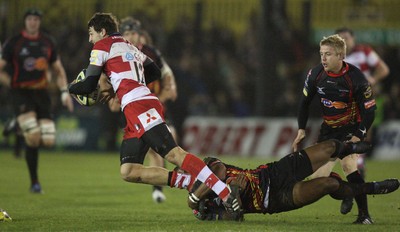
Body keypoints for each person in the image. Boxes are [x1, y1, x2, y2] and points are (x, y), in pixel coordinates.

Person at [67, 12, 240, 216]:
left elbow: (88, 84)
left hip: (138, 106)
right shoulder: (129, 46)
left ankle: (225, 192)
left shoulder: (101, 46)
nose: (90, 39)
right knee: (129, 171)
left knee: (174, 154)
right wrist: (125, 83)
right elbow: (155, 72)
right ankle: (191, 182)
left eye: (91, 33)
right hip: (137, 106)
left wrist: (68, 88)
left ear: (102, 31)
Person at [185, 140, 399, 222]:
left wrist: (231, 192)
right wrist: (233, 198)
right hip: (275, 201)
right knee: (329, 185)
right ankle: (372, 188)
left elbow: (220, 170)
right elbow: (234, 216)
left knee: (330, 147)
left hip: (273, 173)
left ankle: (351, 148)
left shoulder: (208, 166)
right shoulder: (202, 207)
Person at [291, 34, 377, 224]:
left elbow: (370, 111)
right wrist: (301, 130)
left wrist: (358, 135)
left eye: (328, 54)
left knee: (348, 165)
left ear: (340, 56)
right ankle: (346, 191)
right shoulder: (315, 74)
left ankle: (364, 216)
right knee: (319, 178)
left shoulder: (356, 78)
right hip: (328, 130)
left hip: (350, 128)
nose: (323, 58)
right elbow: (304, 103)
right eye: (321, 54)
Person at [0, 8, 74, 193]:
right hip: (21, 93)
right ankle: (35, 183)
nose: (33, 22)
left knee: (48, 141)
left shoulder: (47, 42)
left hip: (41, 94)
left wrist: (65, 92)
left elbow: (58, 70)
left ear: (39, 22)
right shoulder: (15, 43)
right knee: (33, 136)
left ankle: (16, 125)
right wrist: (11, 83)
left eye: (36, 19)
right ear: (25, 21)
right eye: (30, 19)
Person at [116, 16, 178, 203]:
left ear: (140, 35)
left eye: (133, 33)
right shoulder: (117, 54)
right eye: (126, 33)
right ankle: (165, 186)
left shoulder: (151, 53)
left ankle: (181, 181)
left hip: (155, 110)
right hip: (135, 111)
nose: (130, 36)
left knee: (166, 150)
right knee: (156, 150)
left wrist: (166, 92)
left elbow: (168, 77)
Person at [335, 27, 390, 215]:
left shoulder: (364, 52)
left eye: (346, 37)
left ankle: (351, 191)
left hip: (363, 106)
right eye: (340, 38)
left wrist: (373, 79)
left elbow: (383, 69)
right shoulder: (335, 58)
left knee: (357, 146)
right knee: (348, 150)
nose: (344, 41)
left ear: (353, 38)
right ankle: (355, 187)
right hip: (343, 109)